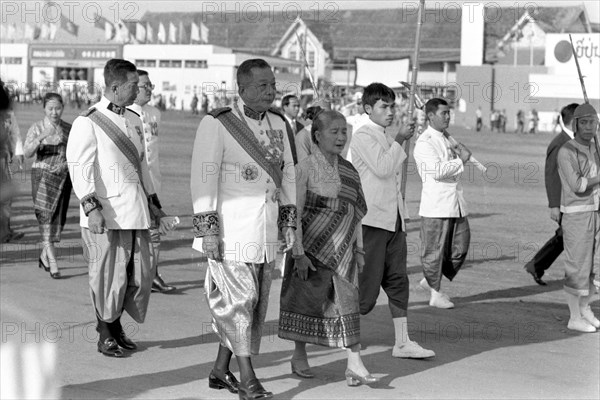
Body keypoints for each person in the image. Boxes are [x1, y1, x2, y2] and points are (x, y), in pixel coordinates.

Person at [190, 58, 296, 400]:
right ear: (243, 89)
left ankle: (220, 370)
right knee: (240, 301)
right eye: (262, 85)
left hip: (264, 232)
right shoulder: (218, 123)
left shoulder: (280, 123)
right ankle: (249, 379)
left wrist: (288, 221)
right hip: (230, 233)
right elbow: (203, 179)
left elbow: (289, 174)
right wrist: (207, 229)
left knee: (254, 305)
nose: (271, 91)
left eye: (272, 84)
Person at [67, 59, 172, 358]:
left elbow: (143, 168)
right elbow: (80, 169)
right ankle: (106, 331)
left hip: (135, 211)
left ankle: (116, 325)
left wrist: (155, 205)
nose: (138, 90)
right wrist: (91, 209)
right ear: (115, 87)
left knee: (135, 275)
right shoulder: (88, 121)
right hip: (107, 214)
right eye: (133, 86)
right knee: (107, 276)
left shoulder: (135, 119)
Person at [278, 110, 379, 386]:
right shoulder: (303, 169)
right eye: (333, 132)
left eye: (344, 131)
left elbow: (355, 213)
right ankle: (299, 355)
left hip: (344, 252)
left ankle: (354, 363)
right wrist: (297, 252)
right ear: (317, 136)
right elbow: (293, 214)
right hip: (309, 251)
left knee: (349, 302)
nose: (340, 137)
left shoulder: (349, 170)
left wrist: (358, 251)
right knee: (304, 302)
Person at [350, 83, 435, 359]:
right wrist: (400, 140)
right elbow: (384, 168)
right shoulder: (363, 136)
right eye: (384, 107)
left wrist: (402, 138)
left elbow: (394, 174)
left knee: (399, 281)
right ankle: (344, 332)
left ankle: (402, 341)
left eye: (392, 106)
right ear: (368, 109)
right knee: (366, 289)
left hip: (394, 219)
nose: (390, 111)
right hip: (372, 220)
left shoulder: (386, 136)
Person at [414, 98, 472, 309]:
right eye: (443, 113)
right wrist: (460, 161)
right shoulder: (425, 142)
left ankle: (431, 279)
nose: (448, 117)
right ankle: (435, 292)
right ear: (430, 116)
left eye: (449, 113)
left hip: (455, 202)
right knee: (434, 250)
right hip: (436, 205)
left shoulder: (447, 139)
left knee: (460, 247)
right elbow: (436, 171)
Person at [128, 69, 176, 293]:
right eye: (145, 85)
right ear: (133, 87)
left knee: (155, 232)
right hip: (131, 185)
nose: (149, 89)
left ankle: (153, 274)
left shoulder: (155, 113)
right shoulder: (124, 113)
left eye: (150, 85)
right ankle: (134, 277)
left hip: (153, 183)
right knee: (134, 234)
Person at [556, 103, 600, 333]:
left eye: (592, 122)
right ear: (575, 125)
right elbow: (578, 184)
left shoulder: (596, 148)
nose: (588, 127)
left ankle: (585, 307)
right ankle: (574, 317)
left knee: (595, 267)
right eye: (583, 122)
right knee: (578, 268)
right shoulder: (567, 151)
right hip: (577, 216)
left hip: (597, 213)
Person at [524, 103, 579, 285]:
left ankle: (537, 265)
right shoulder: (559, 143)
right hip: (566, 202)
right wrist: (554, 205)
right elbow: (552, 175)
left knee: (566, 236)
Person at [23, 93, 72, 279]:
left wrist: (65, 164)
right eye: (50, 108)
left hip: (62, 178)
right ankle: (52, 262)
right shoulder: (36, 127)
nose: (54, 112)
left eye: (58, 108)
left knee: (58, 219)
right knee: (44, 217)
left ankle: (44, 255)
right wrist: (40, 138)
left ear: (63, 108)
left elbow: (76, 154)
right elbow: (27, 153)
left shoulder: (69, 128)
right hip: (41, 177)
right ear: (44, 108)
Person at [0, 89, 25, 243]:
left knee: (6, 199)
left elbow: (14, 132)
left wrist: (19, 151)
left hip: (4, 159)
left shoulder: (8, 114)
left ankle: (5, 231)